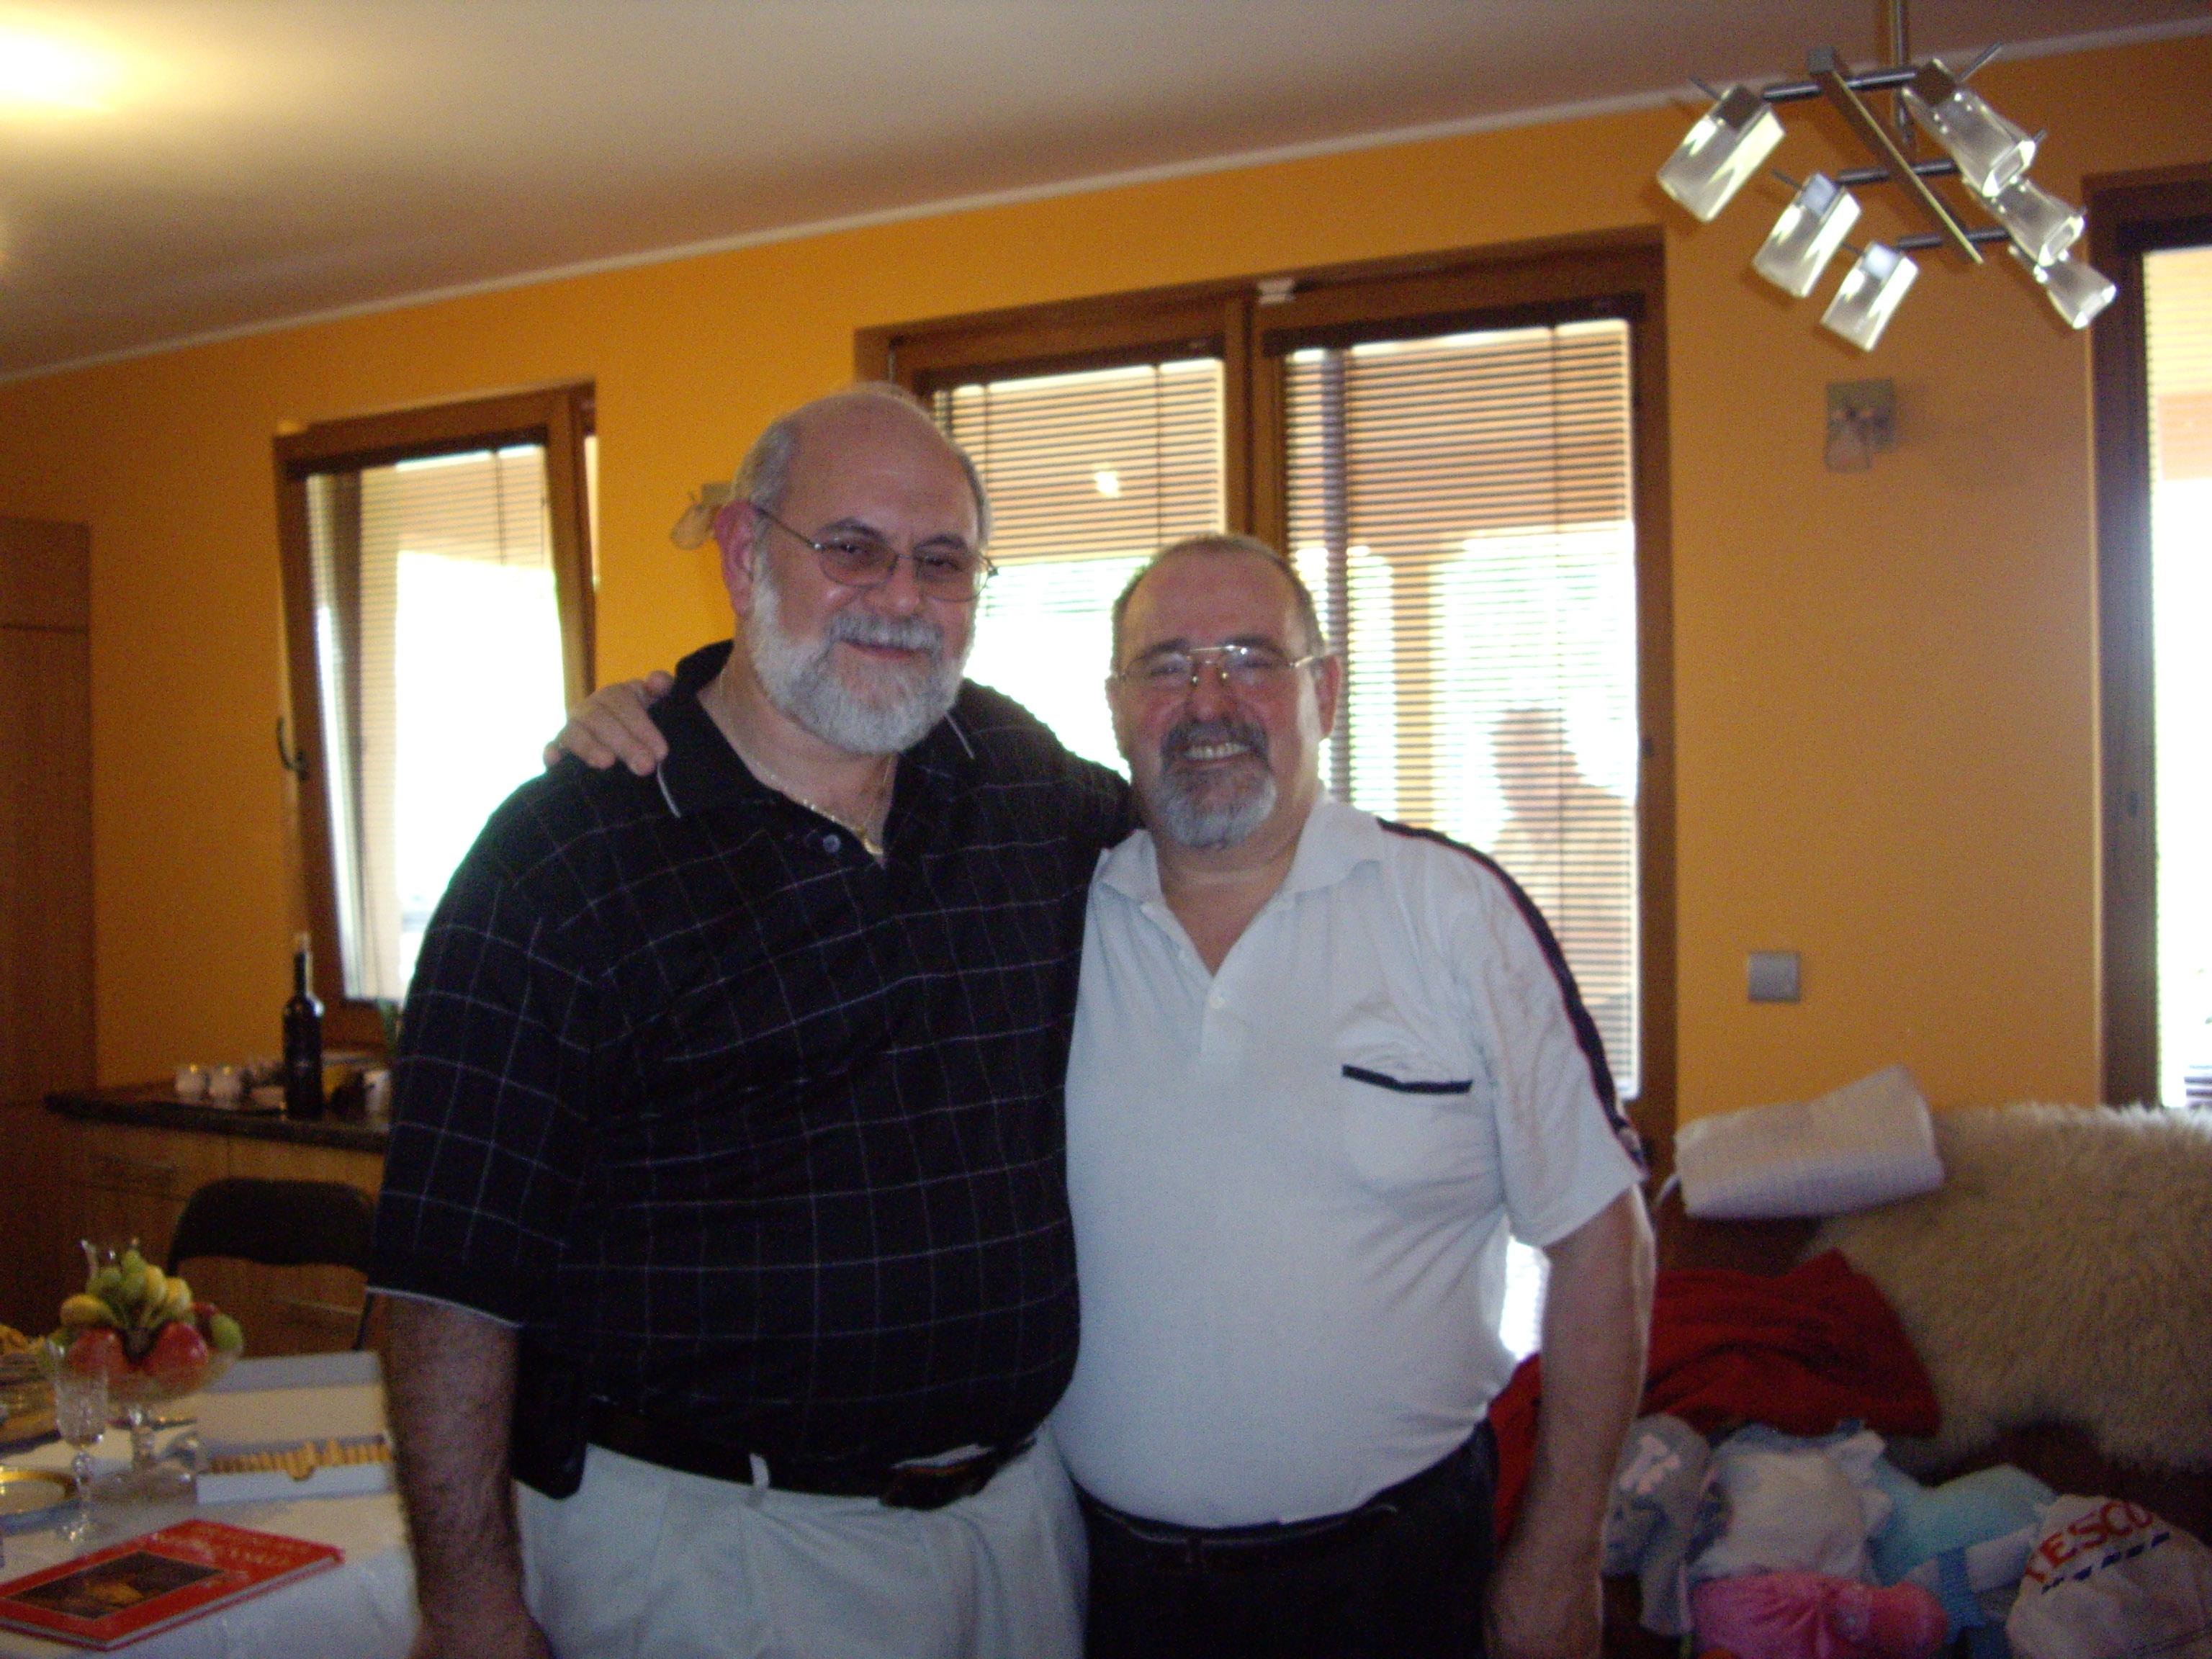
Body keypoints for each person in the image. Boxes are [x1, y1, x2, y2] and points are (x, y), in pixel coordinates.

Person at [561, 533, 1655, 1659]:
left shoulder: (1453, 914)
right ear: (1117, 706)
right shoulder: (1044, 911)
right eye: (1166, 666)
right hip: (1102, 1588)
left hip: (1398, 1579)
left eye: (1252, 659)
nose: (1209, 700)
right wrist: (667, 719)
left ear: (1325, 691)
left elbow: (1601, 1241)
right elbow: (836, 751)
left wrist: (1563, 1549)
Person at [369, 384, 1127, 1659]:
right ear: (740, 552)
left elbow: (1214, 849)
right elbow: (447, 1285)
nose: (901, 597)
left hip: (1015, 1535)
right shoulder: (567, 860)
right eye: (852, 548)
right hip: (718, 1556)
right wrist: (469, 1607)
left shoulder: (1011, 779)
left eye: (943, 562)